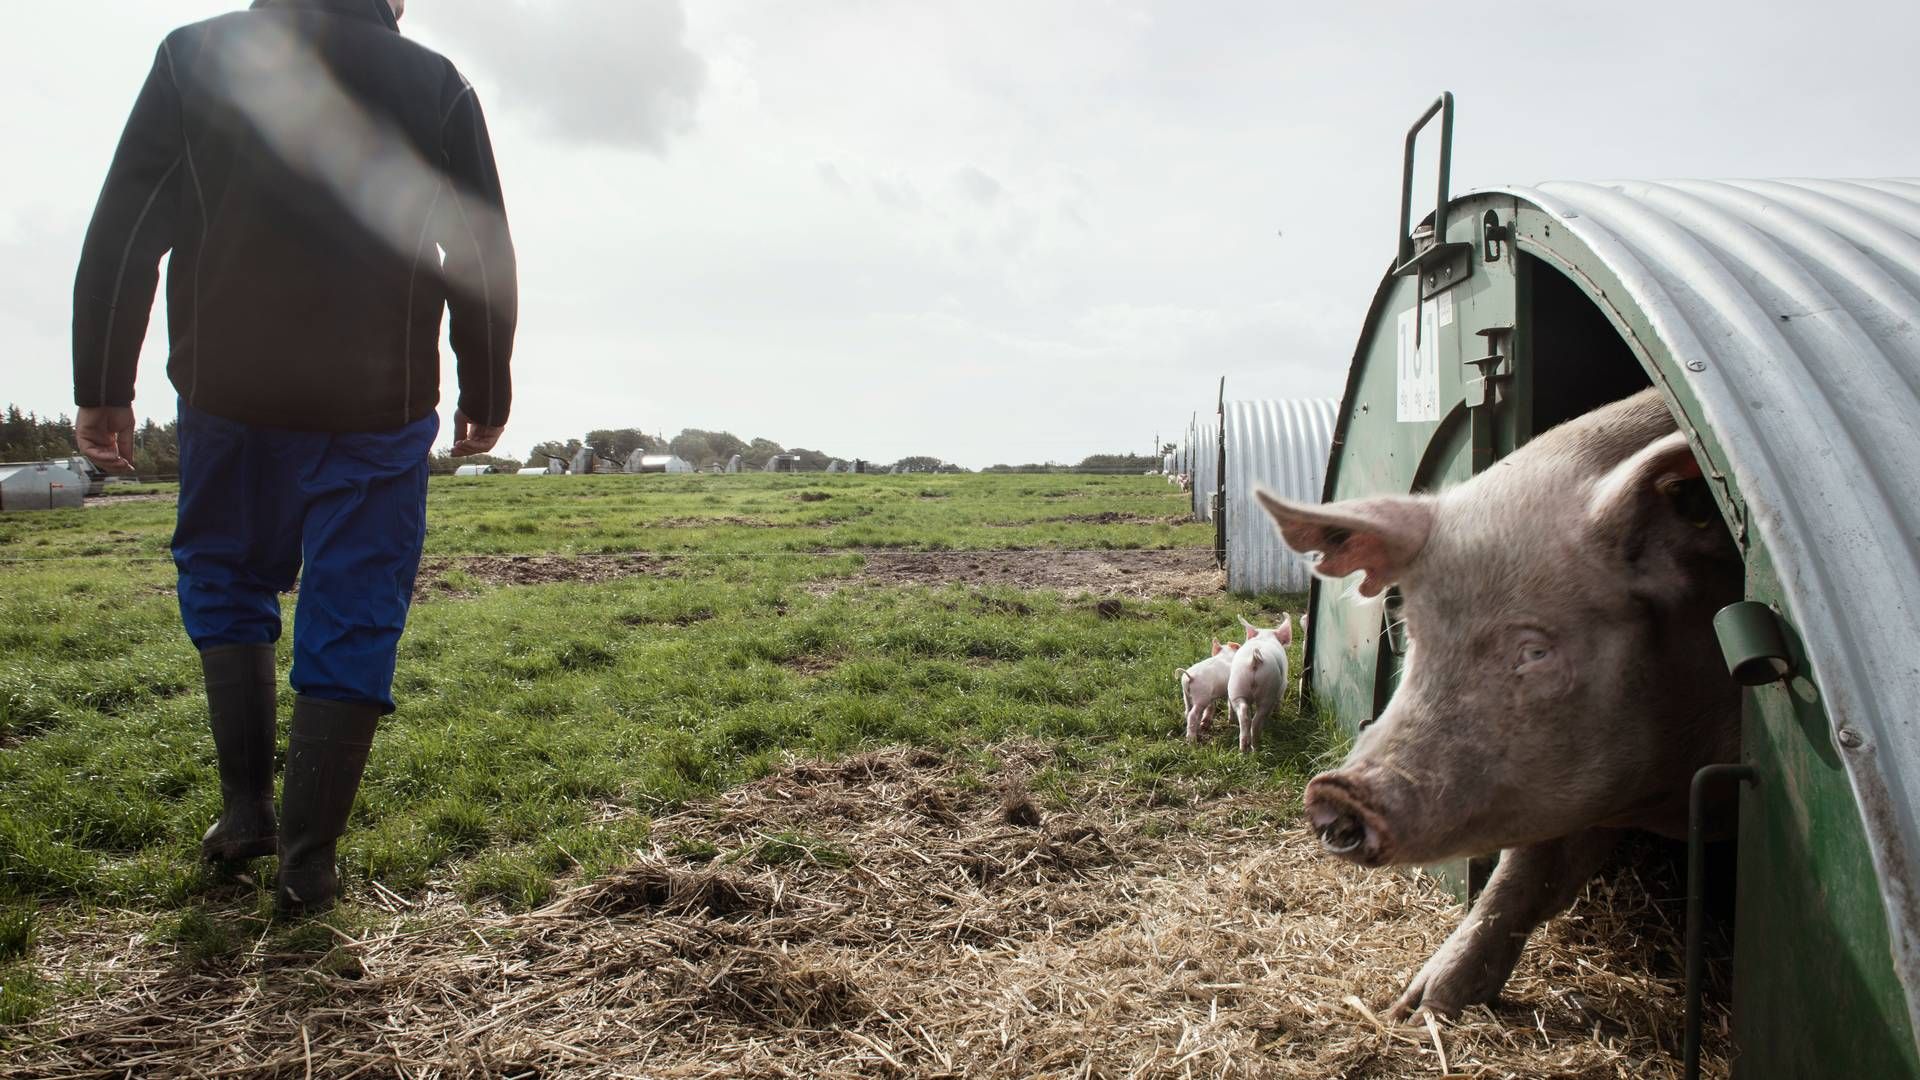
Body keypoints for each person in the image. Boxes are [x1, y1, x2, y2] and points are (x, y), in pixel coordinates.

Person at [70, 0, 517, 915]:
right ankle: (309, 864)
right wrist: (486, 390)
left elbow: (127, 227)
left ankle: (245, 815)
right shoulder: (432, 83)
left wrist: (105, 383)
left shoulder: (194, 57)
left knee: (227, 579)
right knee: (354, 608)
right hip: (377, 406)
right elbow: (479, 250)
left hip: (229, 394)